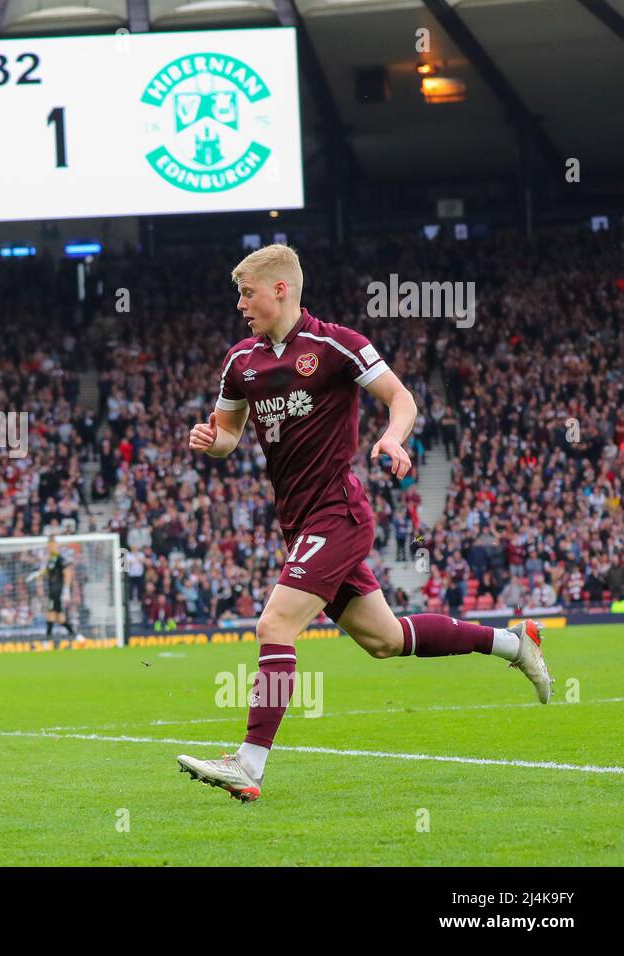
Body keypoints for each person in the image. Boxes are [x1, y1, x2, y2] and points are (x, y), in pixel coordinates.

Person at [176, 244, 552, 803]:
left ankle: (249, 764)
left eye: (247, 293)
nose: (240, 305)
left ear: (280, 289)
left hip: (338, 513)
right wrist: (212, 442)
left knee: (274, 627)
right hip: (298, 522)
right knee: (385, 639)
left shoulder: (336, 344)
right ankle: (512, 642)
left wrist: (392, 436)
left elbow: (402, 399)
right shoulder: (240, 362)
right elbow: (229, 435)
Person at [26, 535, 76, 638]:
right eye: (48, 545)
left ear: (56, 545)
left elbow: (67, 572)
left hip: (58, 591)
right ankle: (74, 635)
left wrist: (66, 590)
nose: (49, 547)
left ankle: (49, 639)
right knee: (56, 616)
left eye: (52, 544)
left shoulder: (60, 558)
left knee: (53, 615)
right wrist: (37, 574)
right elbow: (48, 571)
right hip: (52, 591)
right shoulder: (51, 559)